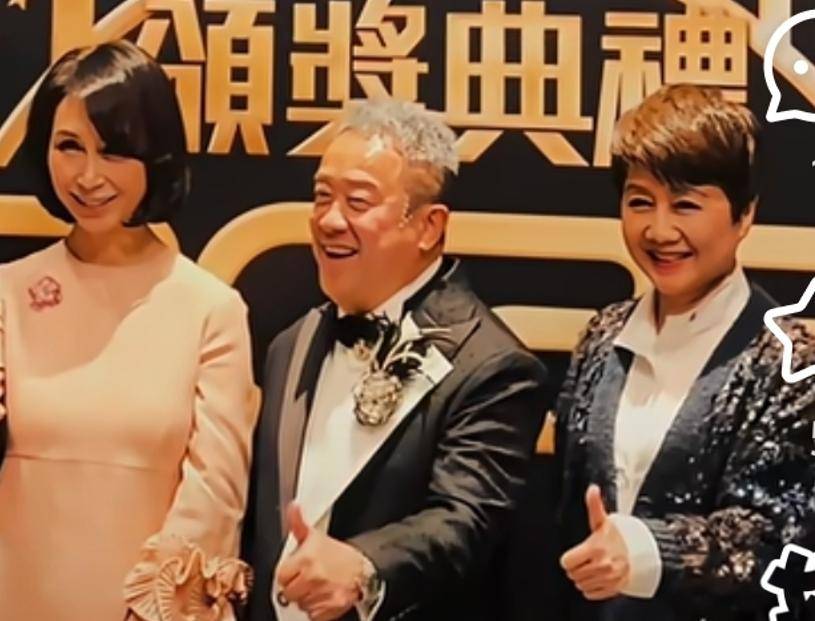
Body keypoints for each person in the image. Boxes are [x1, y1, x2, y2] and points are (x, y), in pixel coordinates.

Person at [241, 99, 547, 621]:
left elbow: (463, 520)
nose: (329, 220)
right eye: (322, 196)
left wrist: (365, 568)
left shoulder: (493, 366)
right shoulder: (291, 343)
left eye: (357, 202)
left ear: (428, 226)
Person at [0, 39, 257, 620]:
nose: (88, 176)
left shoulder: (210, 308)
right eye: (69, 147)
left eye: (115, 151)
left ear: (155, 156)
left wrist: (155, 607)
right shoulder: (8, 293)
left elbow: (214, 495)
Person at [553, 84, 815, 620]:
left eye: (686, 205)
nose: (659, 230)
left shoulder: (791, 361)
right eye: (639, 202)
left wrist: (648, 551)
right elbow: (566, 509)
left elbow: (780, 540)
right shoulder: (603, 336)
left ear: (744, 215)